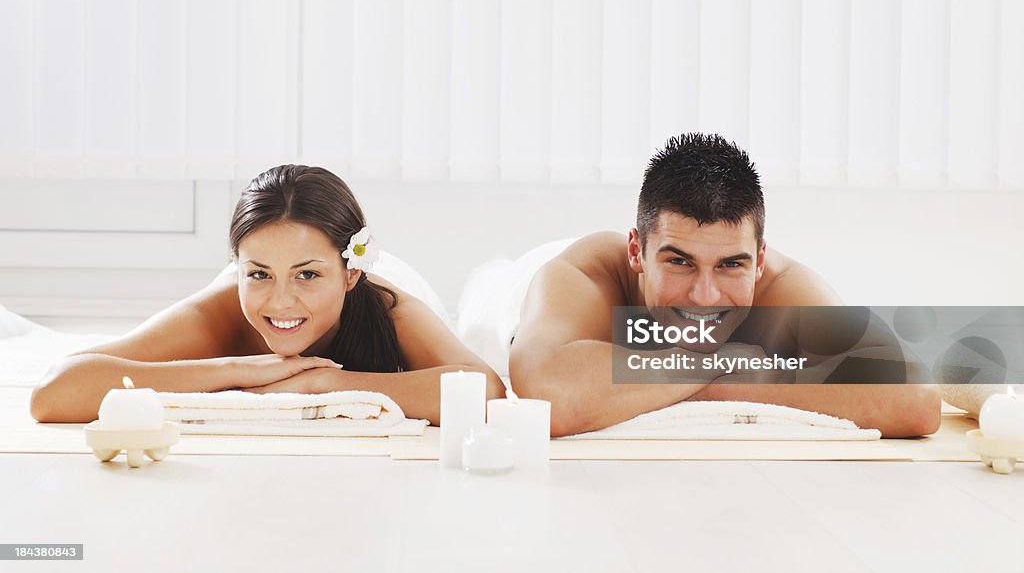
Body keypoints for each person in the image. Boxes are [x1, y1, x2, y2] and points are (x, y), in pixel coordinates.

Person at [509, 133, 941, 438]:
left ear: (759, 261)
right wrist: (724, 359)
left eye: (730, 265)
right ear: (637, 252)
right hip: (509, 290)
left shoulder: (784, 290)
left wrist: (662, 381)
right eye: (679, 262)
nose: (705, 296)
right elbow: (552, 394)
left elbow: (917, 403)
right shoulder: (586, 274)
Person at [31, 164, 505, 425]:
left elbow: (488, 393)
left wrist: (323, 384)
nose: (280, 301)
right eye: (258, 274)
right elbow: (55, 393)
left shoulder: (391, 307)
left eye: (307, 275)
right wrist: (236, 369)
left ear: (349, 273)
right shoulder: (217, 313)